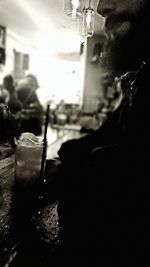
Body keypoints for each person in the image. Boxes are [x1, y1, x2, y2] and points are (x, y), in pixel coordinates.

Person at [10, 0, 150, 266]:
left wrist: (74, 169)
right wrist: (68, 157)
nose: (101, 6)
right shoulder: (141, 79)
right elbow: (107, 138)